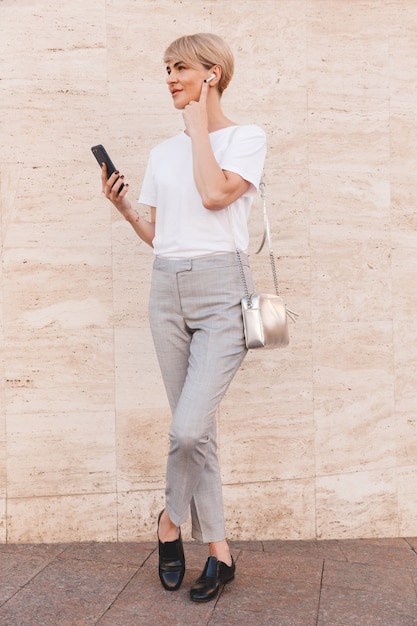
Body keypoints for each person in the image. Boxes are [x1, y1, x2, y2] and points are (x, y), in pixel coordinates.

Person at [101, 32, 266, 602]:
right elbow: (160, 235)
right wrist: (125, 208)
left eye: (181, 68)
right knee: (198, 435)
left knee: (188, 428)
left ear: (212, 75)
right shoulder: (162, 152)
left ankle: (170, 524)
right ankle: (219, 552)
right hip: (166, 289)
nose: (170, 77)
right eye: (166, 68)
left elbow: (217, 195)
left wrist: (199, 132)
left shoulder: (246, 138)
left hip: (223, 289)